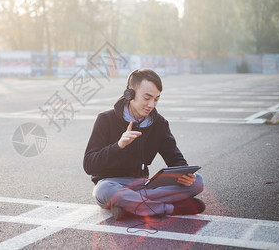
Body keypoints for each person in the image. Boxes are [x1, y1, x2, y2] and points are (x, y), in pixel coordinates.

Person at [83, 69, 204, 220]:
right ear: (130, 94)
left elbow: (175, 158)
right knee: (103, 189)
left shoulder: (159, 124)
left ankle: (130, 207)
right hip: (111, 184)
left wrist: (184, 175)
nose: (151, 104)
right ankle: (169, 208)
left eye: (156, 99)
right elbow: (89, 165)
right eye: (147, 98)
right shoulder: (105, 119)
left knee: (197, 181)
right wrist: (118, 145)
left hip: (143, 184)